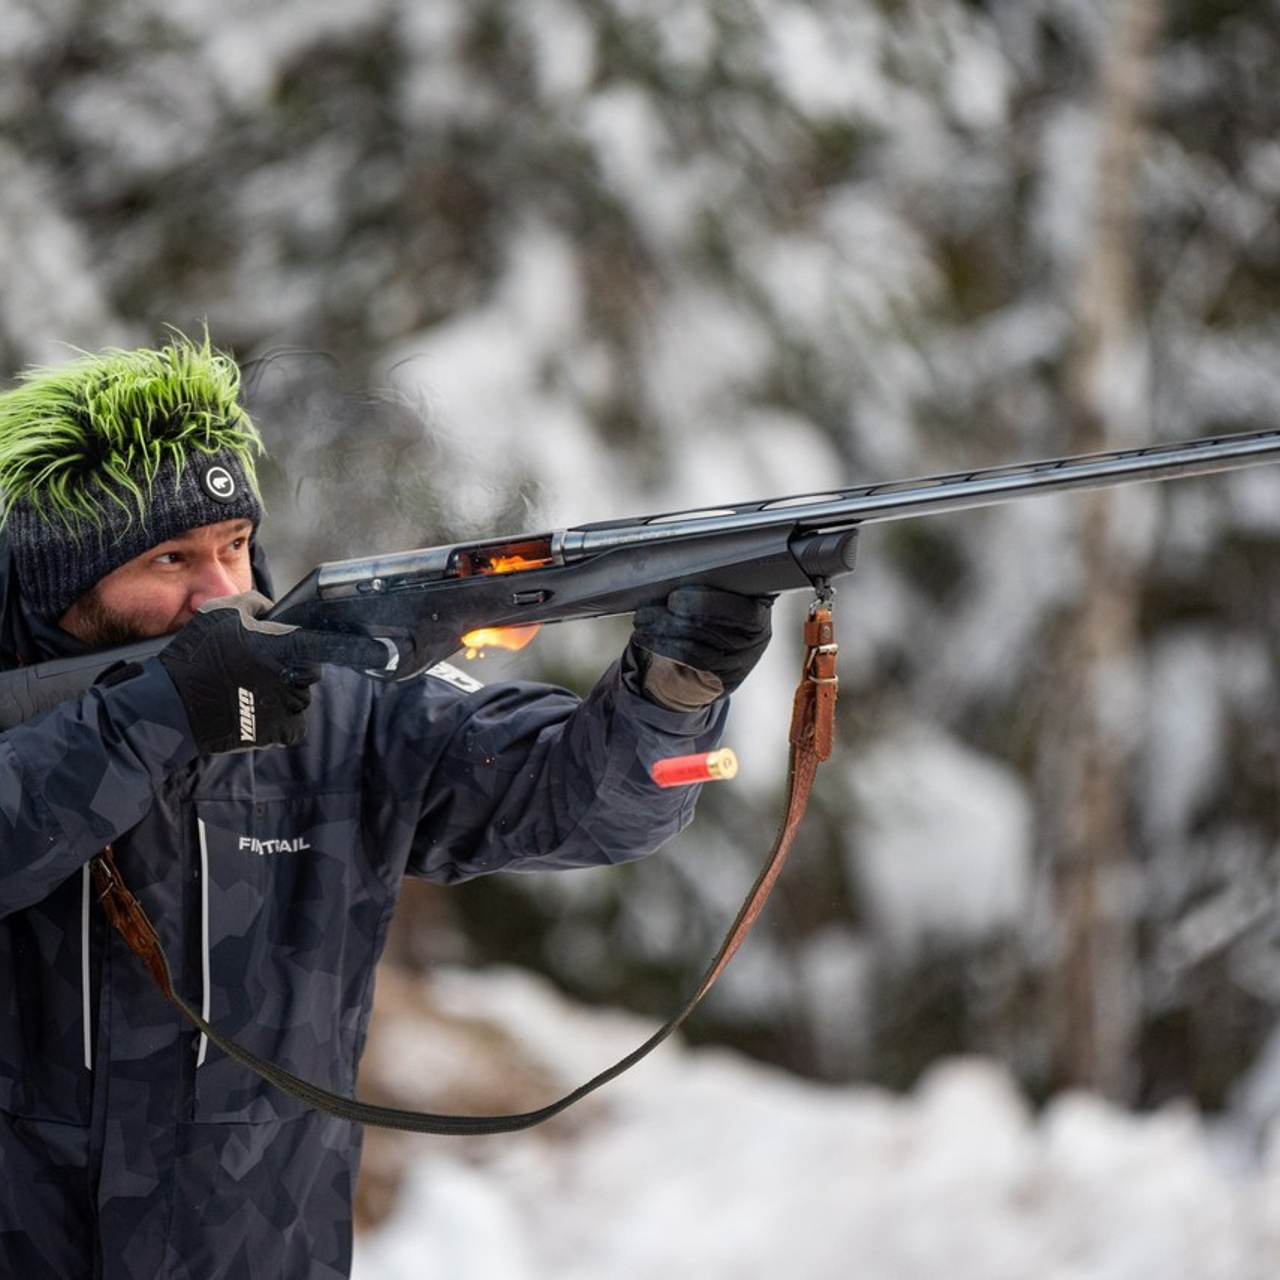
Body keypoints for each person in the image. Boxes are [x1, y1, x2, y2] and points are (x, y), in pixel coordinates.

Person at [0, 334, 773, 1279]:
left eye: (235, 548)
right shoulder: (29, 727)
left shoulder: (337, 715)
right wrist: (154, 717)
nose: (222, 594)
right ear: (60, 586)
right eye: (170, 561)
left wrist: (671, 692)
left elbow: (581, 804)